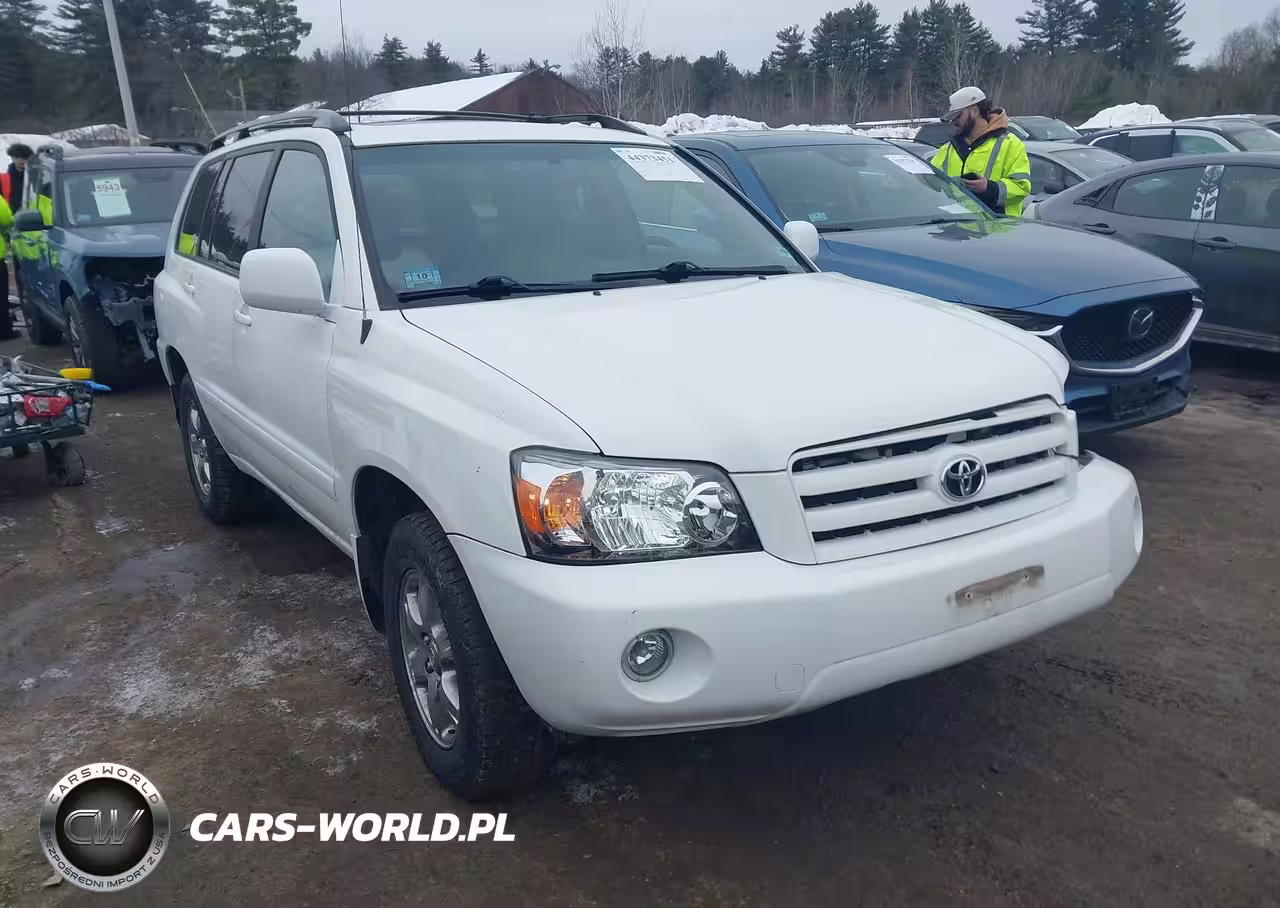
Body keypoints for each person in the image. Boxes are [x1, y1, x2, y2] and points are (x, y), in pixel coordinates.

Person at [930, 87, 1032, 218]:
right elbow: (929, 183)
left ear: (975, 111)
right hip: (956, 231)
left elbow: (1022, 187)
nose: (953, 122)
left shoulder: (1010, 144)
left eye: (958, 116)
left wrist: (989, 189)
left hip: (998, 232)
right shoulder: (947, 149)